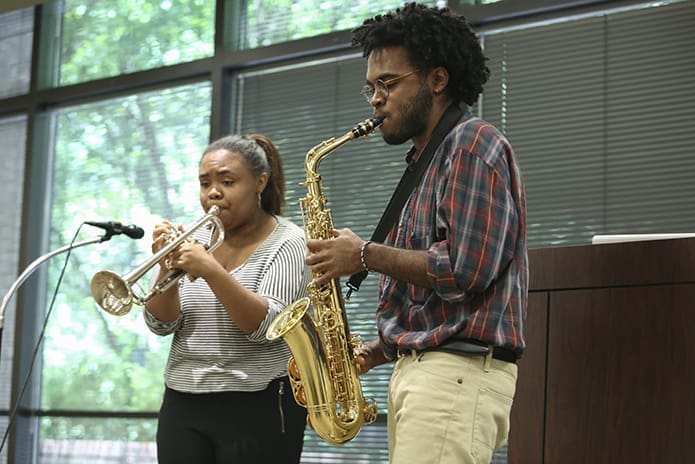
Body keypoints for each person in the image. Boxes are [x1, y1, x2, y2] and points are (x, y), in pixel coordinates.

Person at [305, 3, 528, 464]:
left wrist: (363, 255)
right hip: (431, 373)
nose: (375, 99)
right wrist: (374, 352)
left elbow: (464, 271)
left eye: (388, 83)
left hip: (456, 373)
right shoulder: (427, 160)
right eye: (371, 87)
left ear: (437, 80)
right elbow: (435, 297)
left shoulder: (471, 145)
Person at [144, 134, 310, 464]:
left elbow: (265, 327)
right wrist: (165, 270)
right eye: (205, 183)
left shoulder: (290, 241)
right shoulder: (193, 237)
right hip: (183, 400)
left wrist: (211, 270)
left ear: (260, 182)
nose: (213, 193)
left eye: (227, 181)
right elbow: (160, 323)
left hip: (259, 403)